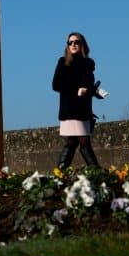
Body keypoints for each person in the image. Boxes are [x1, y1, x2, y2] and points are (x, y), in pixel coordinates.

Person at [52, 32, 100, 168]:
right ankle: (96, 172)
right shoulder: (63, 62)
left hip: (84, 110)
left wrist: (93, 92)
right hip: (70, 109)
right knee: (83, 142)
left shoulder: (88, 64)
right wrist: (76, 90)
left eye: (76, 42)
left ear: (82, 44)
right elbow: (56, 85)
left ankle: (60, 173)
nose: (73, 44)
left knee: (72, 142)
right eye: (70, 42)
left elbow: (88, 86)